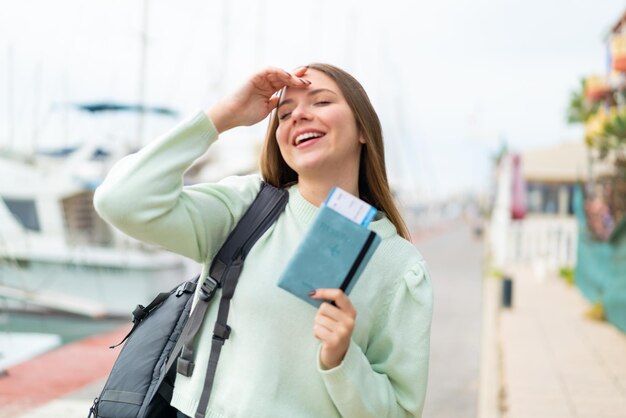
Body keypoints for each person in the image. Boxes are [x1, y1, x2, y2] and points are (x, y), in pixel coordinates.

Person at [94, 63, 433, 418]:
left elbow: (401, 412)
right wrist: (224, 116)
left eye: (320, 102)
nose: (299, 115)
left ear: (363, 128)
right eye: (285, 114)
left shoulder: (400, 265)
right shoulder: (245, 205)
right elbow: (120, 199)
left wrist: (343, 361)